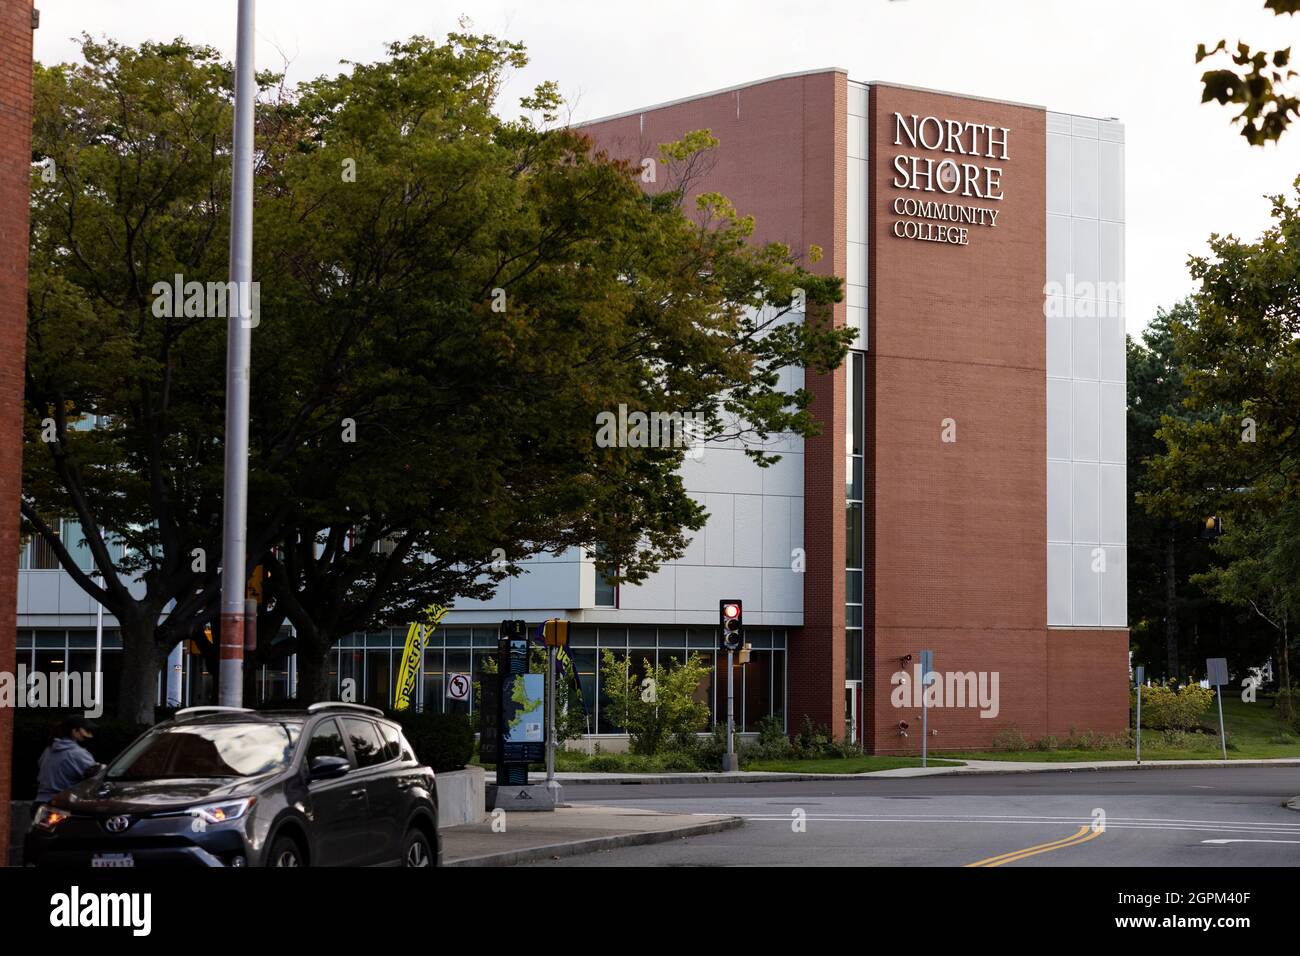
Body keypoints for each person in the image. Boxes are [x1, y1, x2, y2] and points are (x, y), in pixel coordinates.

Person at [34, 716, 101, 812]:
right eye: (87, 731)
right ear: (75, 731)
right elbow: (96, 778)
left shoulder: (48, 750)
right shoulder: (78, 753)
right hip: (61, 806)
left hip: (39, 805)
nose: (90, 735)